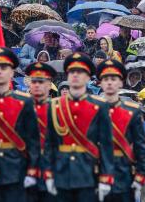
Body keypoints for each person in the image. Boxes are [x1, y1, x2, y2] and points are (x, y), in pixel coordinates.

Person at [43, 52, 114, 202]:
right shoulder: (54, 106)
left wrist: (106, 177)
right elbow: (50, 143)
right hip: (61, 172)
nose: (75, 75)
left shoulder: (99, 106)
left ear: (88, 77)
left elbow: (106, 145)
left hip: (88, 173)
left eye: (80, 72)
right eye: (72, 72)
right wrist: (48, 173)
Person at [0, 47, 40, 202]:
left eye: (4, 68)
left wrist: (32, 169)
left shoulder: (24, 102)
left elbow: (32, 140)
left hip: (16, 168)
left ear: (12, 72)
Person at [97, 60, 145, 202]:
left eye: (113, 79)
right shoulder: (91, 111)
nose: (109, 83)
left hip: (124, 173)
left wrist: (140, 177)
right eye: (105, 79)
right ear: (100, 83)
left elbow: (141, 147)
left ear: (121, 83)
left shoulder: (132, 111)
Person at [25, 62, 57, 202]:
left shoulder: (59, 110)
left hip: (53, 169)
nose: (37, 85)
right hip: (25, 170)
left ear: (50, 85)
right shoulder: (21, 109)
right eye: (34, 81)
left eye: (42, 81)